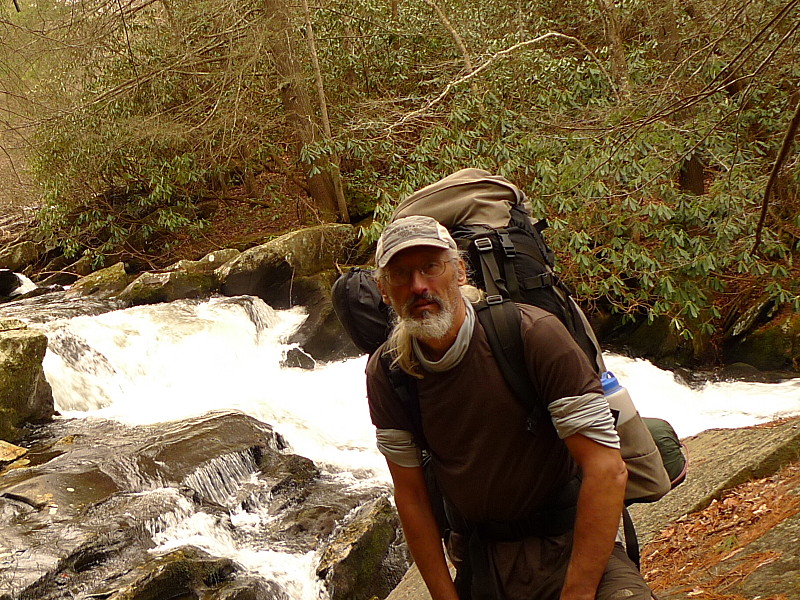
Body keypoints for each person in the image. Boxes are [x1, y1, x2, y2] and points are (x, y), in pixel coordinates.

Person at [365, 214, 654, 600]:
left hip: (571, 545)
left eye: (431, 267)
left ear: (460, 272)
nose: (419, 286)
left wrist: (578, 593)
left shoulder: (530, 334)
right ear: (385, 291)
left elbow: (606, 468)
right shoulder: (390, 373)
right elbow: (412, 497)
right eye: (400, 275)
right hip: (483, 562)